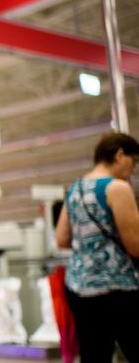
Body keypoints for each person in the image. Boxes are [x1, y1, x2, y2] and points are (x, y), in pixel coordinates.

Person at [55, 132, 139, 363]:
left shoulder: (75, 189)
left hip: (80, 288)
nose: (133, 170)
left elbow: (61, 239)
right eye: (134, 162)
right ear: (120, 155)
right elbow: (135, 246)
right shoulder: (117, 188)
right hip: (117, 287)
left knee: (94, 354)